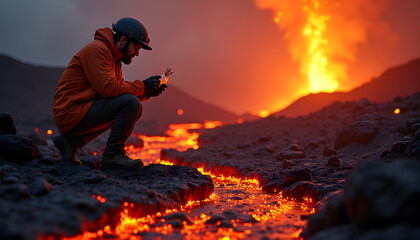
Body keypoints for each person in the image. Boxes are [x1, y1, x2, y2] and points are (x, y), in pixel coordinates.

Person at [52, 17, 167, 169]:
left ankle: (70, 143)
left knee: (134, 105)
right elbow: (108, 88)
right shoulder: (98, 50)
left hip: (79, 109)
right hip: (70, 112)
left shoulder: (115, 58)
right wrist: (143, 86)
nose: (137, 54)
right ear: (123, 40)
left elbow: (117, 93)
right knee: (131, 104)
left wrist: (147, 93)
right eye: (137, 48)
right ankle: (113, 154)